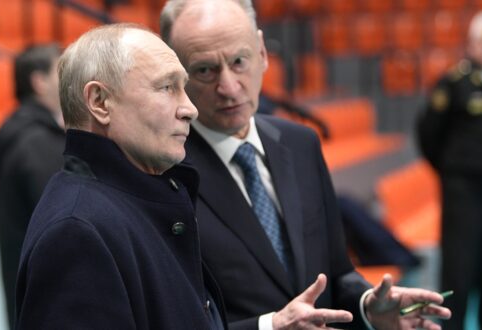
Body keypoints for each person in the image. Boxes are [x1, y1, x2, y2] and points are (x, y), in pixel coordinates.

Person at [160, 0, 451, 329]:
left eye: (239, 61)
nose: (228, 87)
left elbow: (337, 273)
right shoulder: (164, 175)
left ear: (263, 54)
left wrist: (368, 306)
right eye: (204, 70)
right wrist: (271, 326)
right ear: (177, 77)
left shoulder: (301, 144)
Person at [14, 23, 226, 329]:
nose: (189, 109)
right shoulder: (77, 233)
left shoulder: (125, 203)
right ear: (100, 102)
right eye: (167, 87)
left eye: (184, 88)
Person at [417, 10, 482, 330]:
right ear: (472, 44)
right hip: (463, 193)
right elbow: (429, 134)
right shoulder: (453, 83)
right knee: (459, 273)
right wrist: (451, 171)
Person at [0, 44, 64, 329]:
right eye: (60, 71)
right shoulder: (37, 144)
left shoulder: (24, 134)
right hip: (47, 293)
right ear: (39, 82)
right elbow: (62, 224)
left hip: (28, 287)